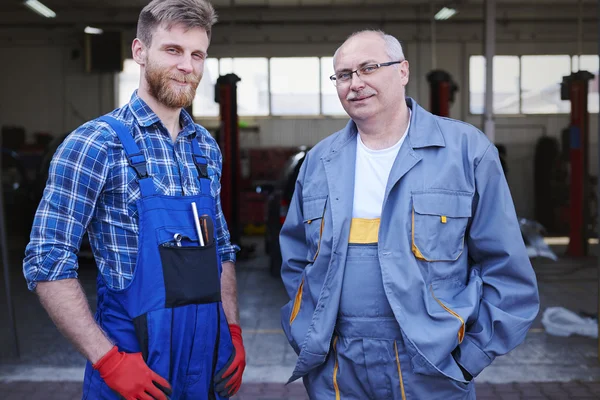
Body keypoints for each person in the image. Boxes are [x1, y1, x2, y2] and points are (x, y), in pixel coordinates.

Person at [280, 30, 539, 399]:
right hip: (337, 369)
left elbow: (507, 269)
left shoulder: (466, 152)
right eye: (344, 75)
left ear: (402, 71)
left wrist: (470, 357)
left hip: (431, 367)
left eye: (368, 68)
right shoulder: (320, 162)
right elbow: (296, 261)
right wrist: (305, 332)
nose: (356, 84)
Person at [22, 0, 245, 398]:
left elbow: (222, 249)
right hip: (134, 370)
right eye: (173, 50)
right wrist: (108, 360)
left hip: (205, 369)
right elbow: (46, 260)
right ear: (140, 52)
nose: (187, 66)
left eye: (198, 54)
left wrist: (232, 331)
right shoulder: (95, 144)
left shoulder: (206, 149)